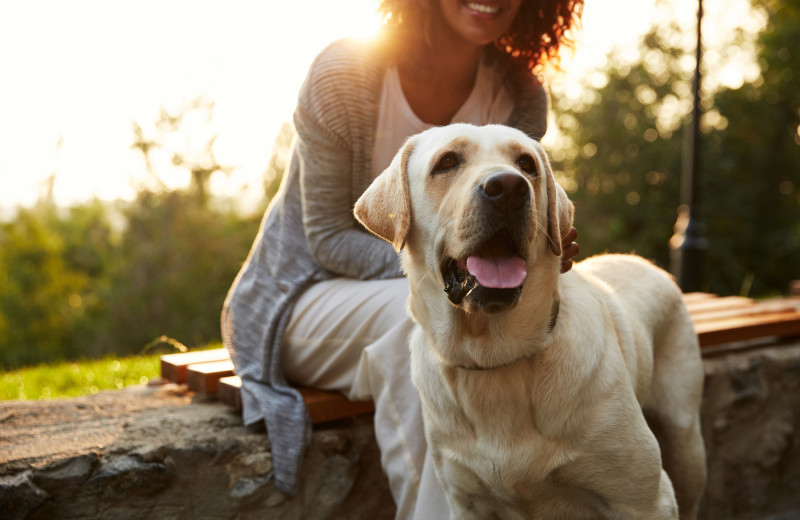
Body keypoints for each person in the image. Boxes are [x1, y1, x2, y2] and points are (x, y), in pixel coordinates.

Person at [222, 0, 583, 517]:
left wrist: (542, 251)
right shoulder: (345, 71)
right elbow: (326, 236)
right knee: (423, 321)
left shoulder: (521, 93)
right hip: (300, 297)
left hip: (446, 292)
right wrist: (437, 270)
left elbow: (506, 232)